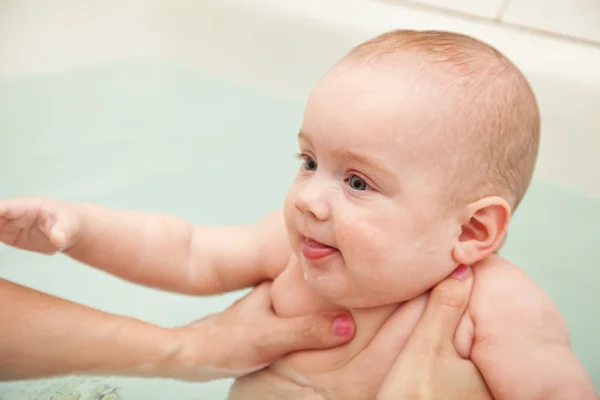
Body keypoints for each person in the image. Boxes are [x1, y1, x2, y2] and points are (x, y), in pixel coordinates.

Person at [0, 29, 597, 399]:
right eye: (309, 160)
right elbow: (186, 252)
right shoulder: (296, 249)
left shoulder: (498, 307)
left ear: (471, 230)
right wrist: (79, 228)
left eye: (357, 181)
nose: (308, 197)